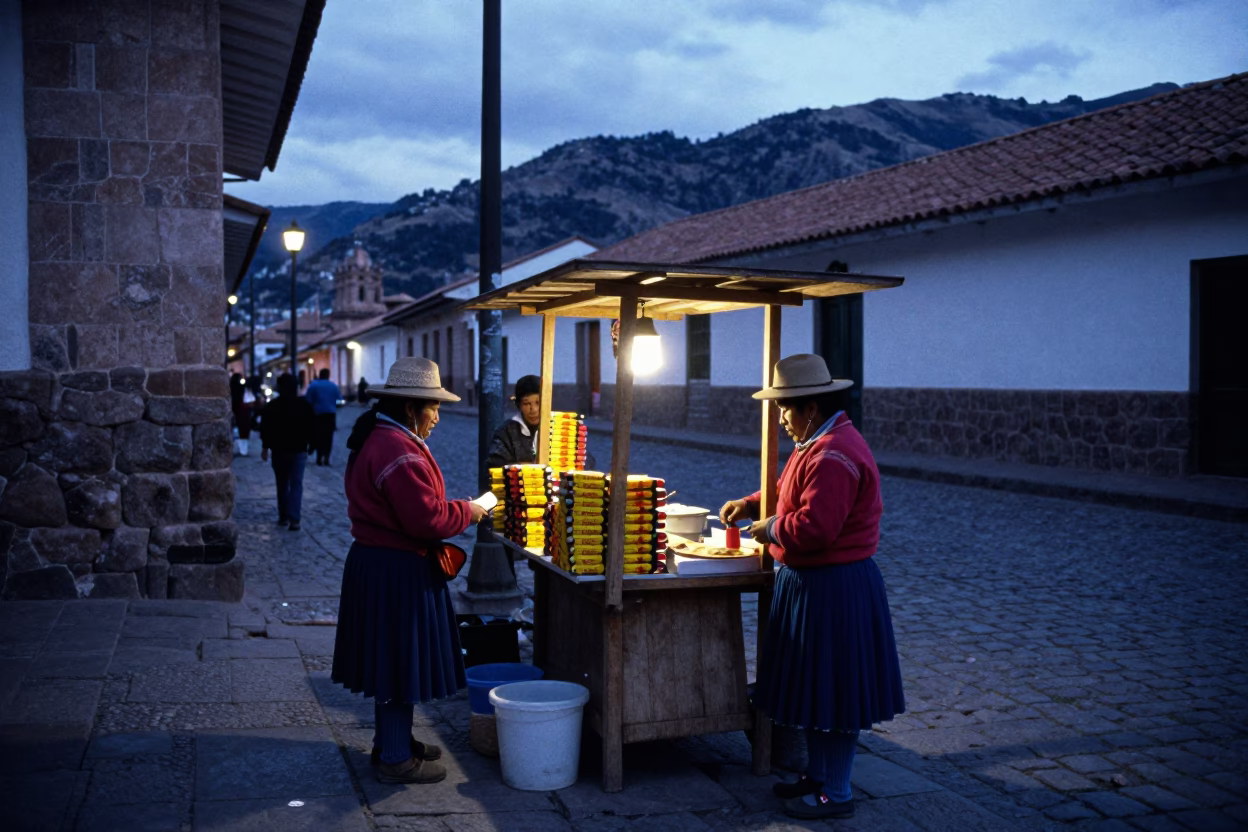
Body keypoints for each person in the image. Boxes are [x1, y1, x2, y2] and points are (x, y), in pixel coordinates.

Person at [719, 353, 904, 821]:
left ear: (811, 409)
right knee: (820, 691)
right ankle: (817, 777)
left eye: (786, 409)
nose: (781, 419)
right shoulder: (816, 445)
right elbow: (788, 491)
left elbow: (815, 526)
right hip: (814, 587)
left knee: (836, 693)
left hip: (836, 590)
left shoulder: (835, 455)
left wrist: (770, 529)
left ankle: (836, 793)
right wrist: (749, 503)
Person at [331, 357, 490, 785]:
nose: (437, 416)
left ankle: (392, 742)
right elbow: (426, 521)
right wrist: (469, 511)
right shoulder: (397, 450)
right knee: (398, 662)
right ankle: (396, 758)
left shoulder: (383, 438)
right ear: (409, 408)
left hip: (381, 564)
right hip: (396, 571)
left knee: (392, 660)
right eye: (432, 407)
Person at [259, 372, 315, 531]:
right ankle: (294, 519)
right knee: (296, 484)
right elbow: (312, 426)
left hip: (279, 450)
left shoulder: (273, 406)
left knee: (282, 483)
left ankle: (283, 516)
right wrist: (311, 444)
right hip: (299, 449)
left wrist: (265, 447)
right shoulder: (304, 405)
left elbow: (266, 428)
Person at [485, 374, 541, 468]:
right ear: (518, 405)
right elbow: (494, 464)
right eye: (526, 403)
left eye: (538, 403)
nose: (533, 409)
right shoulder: (506, 433)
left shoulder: (557, 428)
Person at [304, 368, 342, 466]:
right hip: (330, 415)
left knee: (318, 436)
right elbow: (339, 400)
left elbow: (308, 401)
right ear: (328, 375)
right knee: (328, 437)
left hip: (317, 415)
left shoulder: (313, 386)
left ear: (320, 375)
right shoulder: (333, 386)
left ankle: (319, 458)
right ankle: (327, 458)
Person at [229, 372, 255, 456]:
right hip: (242, 410)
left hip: (234, 410)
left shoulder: (230, 387)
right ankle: (243, 449)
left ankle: (239, 447)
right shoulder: (242, 387)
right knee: (243, 429)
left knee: (234, 428)